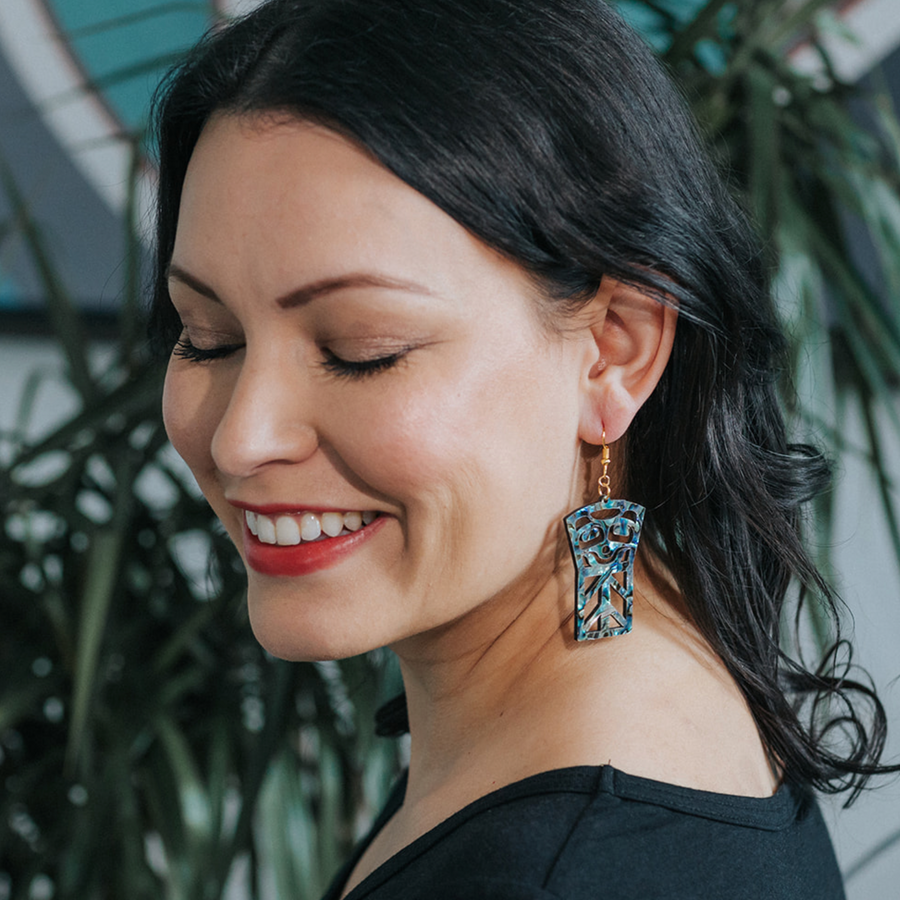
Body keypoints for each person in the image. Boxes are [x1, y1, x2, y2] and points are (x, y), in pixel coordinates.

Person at [150, 1, 894, 897]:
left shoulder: (563, 866)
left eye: (362, 351)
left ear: (615, 349)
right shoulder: (626, 670)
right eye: (206, 337)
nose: (242, 438)